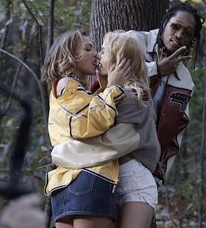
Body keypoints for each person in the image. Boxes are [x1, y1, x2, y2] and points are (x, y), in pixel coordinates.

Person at [53, 30, 161, 228]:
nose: (97, 56)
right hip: (109, 180)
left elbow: (109, 145)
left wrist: (63, 153)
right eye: (94, 50)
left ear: (119, 61)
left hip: (134, 183)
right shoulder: (104, 95)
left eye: (103, 51)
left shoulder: (134, 97)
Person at [41, 30, 131, 228]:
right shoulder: (68, 84)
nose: (96, 54)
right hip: (88, 176)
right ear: (70, 56)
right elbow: (88, 124)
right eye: (88, 49)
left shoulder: (65, 90)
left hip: (64, 183)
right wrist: (113, 88)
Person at [127, 3, 205, 185]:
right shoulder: (133, 41)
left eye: (187, 32)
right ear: (165, 24)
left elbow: (175, 132)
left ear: (192, 40)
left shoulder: (184, 79)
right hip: (111, 153)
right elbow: (108, 71)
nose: (179, 35)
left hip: (144, 167)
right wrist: (156, 69)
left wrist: (159, 175)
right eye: (175, 26)